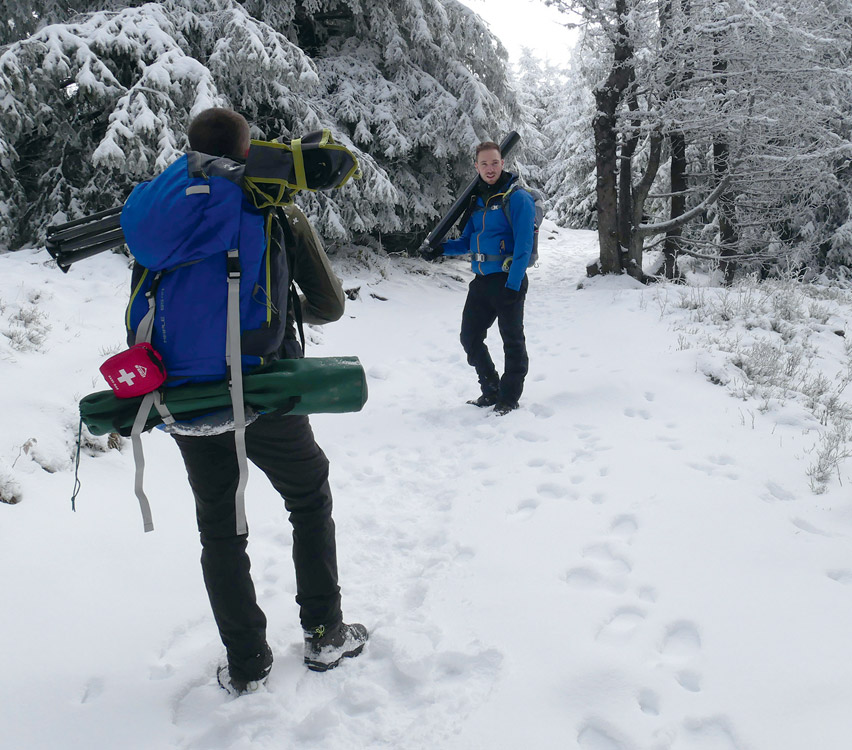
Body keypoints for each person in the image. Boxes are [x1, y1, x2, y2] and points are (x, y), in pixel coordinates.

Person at [120, 108, 367, 696]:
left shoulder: (163, 216)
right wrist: (282, 306)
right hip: (264, 387)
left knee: (221, 531)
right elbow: (329, 306)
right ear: (248, 149)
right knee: (309, 498)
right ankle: (325, 632)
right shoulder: (269, 205)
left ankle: (249, 662)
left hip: (185, 396)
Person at [431, 141, 535, 415]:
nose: (490, 169)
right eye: (484, 164)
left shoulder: (517, 198)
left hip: (507, 280)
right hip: (481, 283)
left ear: (503, 163)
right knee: (470, 337)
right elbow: (467, 242)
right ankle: (490, 389)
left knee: (512, 341)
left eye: (495, 162)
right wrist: (441, 249)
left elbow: (524, 246)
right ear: (476, 167)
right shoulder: (476, 201)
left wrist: (513, 284)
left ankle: (509, 397)